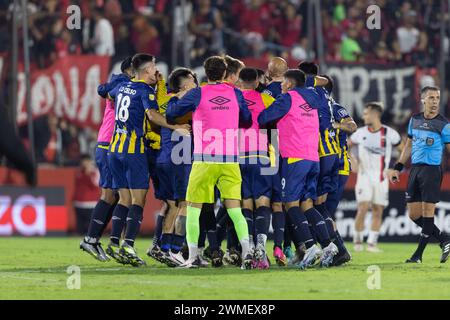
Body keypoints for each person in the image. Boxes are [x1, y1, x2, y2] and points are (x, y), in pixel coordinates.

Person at [166, 56, 253, 269]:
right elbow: (248, 120)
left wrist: (178, 97)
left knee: (194, 210)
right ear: (225, 73)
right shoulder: (235, 93)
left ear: (205, 72)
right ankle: (248, 253)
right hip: (230, 160)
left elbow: (171, 115)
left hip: (204, 160)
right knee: (235, 210)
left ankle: (193, 257)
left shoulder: (198, 93)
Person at [106, 53, 189, 267]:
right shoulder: (144, 90)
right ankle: (129, 246)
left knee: (124, 199)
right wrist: (175, 126)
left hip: (114, 148)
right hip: (133, 150)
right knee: (138, 201)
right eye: (153, 67)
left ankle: (114, 242)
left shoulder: (122, 86)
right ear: (145, 70)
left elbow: (107, 93)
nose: (156, 71)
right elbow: (152, 115)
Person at [258, 69, 338, 269]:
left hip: (294, 158)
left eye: (284, 82)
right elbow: (318, 83)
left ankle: (310, 246)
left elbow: (263, 118)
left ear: (290, 84)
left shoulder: (286, 99)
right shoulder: (313, 96)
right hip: (313, 158)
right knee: (307, 204)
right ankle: (328, 245)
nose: (281, 85)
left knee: (290, 204)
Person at [80, 56, 133, 261]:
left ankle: (94, 239)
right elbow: (104, 89)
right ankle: (91, 239)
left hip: (116, 144)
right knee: (109, 195)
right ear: (131, 70)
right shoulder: (120, 82)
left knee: (116, 195)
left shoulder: (126, 85)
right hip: (108, 143)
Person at [389, 86, 450, 263]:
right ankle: (444, 239)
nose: (435, 102)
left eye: (437, 98)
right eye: (431, 98)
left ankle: (418, 255)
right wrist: (398, 167)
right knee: (414, 214)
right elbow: (408, 146)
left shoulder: (444, 125)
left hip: (432, 170)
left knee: (427, 212)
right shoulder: (414, 120)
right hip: (415, 170)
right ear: (422, 100)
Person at [350, 102, 403, 253]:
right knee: (363, 208)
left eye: (366, 113)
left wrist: (395, 168)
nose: (363, 116)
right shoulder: (360, 133)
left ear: (375, 114)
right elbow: (344, 146)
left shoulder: (390, 134)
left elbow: (403, 148)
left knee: (378, 210)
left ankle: (372, 244)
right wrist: (353, 161)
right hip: (364, 176)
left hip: (381, 177)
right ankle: (358, 242)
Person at [238, 67, 275, 269]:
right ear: (257, 80)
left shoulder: (234, 98)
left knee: (246, 203)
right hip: (261, 155)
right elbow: (275, 127)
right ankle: (261, 246)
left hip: (238, 157)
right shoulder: (266, 100)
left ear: (240, 80)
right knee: (263, 202)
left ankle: (249, 247)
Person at [326, 98, 357, 265]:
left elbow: (352, 126)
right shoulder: (317, 108)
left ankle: (340, 250)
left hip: (339, 166)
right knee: (323, 211)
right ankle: (337, 250)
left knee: (325, 211)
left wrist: (335, 125)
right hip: (325, 166)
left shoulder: (336, 109)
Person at [73, 154, 100, 235]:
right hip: (78, 203)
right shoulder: (78, 172)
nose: (85, 163)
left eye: (87, 161)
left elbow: (95, 186)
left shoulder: (95, 172)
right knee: (79, 229)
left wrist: (88, 174)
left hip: (90, 204)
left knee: (89, 229)